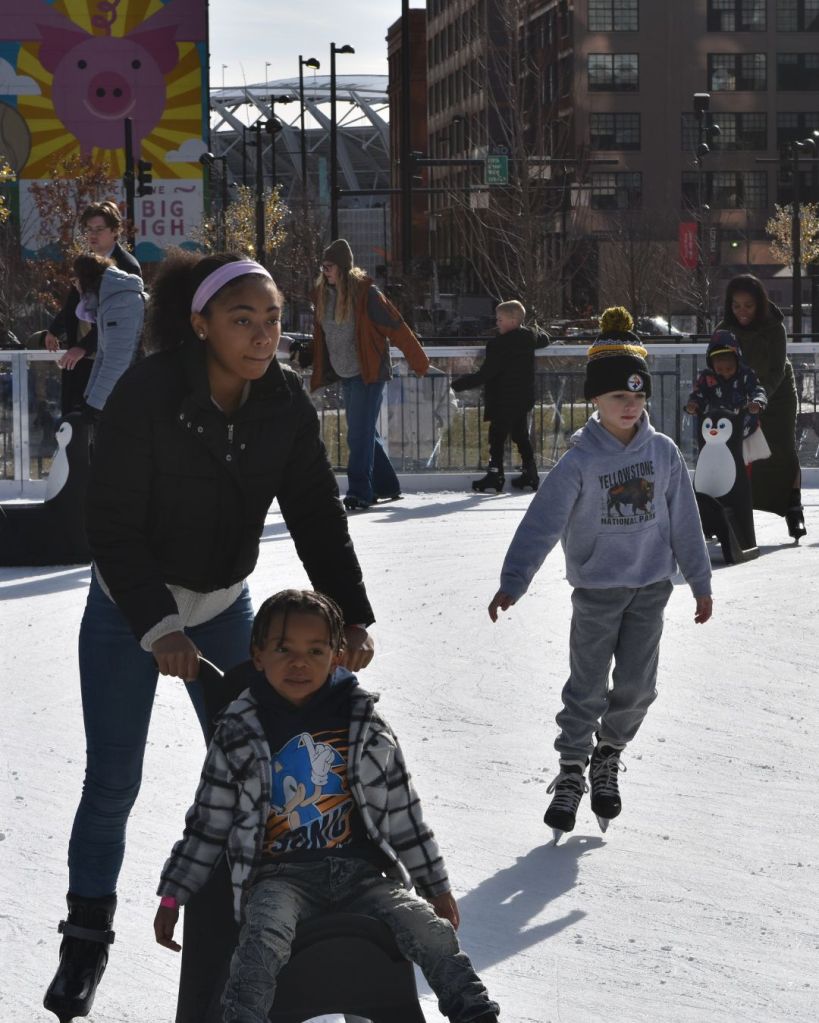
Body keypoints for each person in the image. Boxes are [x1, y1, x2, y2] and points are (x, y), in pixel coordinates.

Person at [44, 254, 376, 1022]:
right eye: (242, 320)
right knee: (113, 779)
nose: (262, 336)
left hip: (225, 606)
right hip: (129, 607)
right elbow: (111, 522)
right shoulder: (147, 393)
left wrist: (349, 614)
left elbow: (314, 513)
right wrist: (158, 623)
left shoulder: (283, 401)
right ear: (201, 325)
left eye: (272, 320)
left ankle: (267, 927)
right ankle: (86, 937)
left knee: (262, 769)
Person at [154, 588, 500, 1023]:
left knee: (429, 931)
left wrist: (435, 886)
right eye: (284, 649)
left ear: (336, 657)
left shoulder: (364, 724)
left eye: (315, 651)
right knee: (262, 940)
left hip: (361, 876)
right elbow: (208, 823)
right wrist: (174, 896)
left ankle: (475, 1014)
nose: (299, 663)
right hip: (280, 878)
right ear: (258, 655)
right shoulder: (238, 731)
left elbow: (403, 813)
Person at [488, 307, 713, 842]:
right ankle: (572, 769)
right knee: (586, 687)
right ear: (595, 399)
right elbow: (542, 521)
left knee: (637, 686)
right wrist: (514, 579)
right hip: (596, 591)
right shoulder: (580, 461)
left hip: (650, 589)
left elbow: (686, 520)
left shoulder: (663, 453)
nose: (630, 405)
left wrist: (700, 582)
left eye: (638, 396)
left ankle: (608, 754)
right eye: (618, 396)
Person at [296, 239, 430, 511]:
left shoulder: (366, 295)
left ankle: (360, 492)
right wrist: (308, 355)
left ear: (343, 267)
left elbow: (396, 326)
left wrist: (418, 361)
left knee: (358, 434)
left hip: (369, 373)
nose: (324, 271)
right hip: (346, 373)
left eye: (329, 266)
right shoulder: (323, 295)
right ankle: (387, 485)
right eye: (323, 266)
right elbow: (323, 336)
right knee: (364, 432)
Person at [717, 274, 805, 539]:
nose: (742, 311)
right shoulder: (724, 330)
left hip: (777, 396)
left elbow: (777, 370)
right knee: (737, 452)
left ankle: (793, 508)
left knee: (782, 450)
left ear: (759, 304)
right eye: (736, 305)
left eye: (748, 305)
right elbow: (717, 366)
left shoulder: (775, 327)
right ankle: (730, 512)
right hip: (741, 397)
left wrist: (759, 397)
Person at [43, 200, 142, 415]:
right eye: (89, 229)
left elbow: (118, 321)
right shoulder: (88, 261)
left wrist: (84, 347)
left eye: (99, 229)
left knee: (99, 416)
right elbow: (75, 303)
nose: (92, 235)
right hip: (81, 356)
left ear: (115, 231)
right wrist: (54, 329)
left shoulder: (126, 266)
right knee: (75, 417)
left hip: (104, 359)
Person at [451, 299, 543, 493]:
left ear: (513, 320)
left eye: (500, 319)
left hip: (502, 398)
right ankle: (531, 473)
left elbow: (486, 374)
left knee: (497, 437)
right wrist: (532, 330)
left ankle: (495, 475)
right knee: (520, 435)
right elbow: (544, 338)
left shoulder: (498, 345)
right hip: (522, 397)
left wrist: (456, 384)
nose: (497, 323)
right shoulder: (530, 338)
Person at [71, 253, 146, 415]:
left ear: (85, 279)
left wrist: (94, 408)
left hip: (143, 389)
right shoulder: (107, 302)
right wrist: (88, 398)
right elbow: (102, 356)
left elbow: (116, 361)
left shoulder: (120, 304)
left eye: (75, 279)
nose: (75, 285)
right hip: (133, 387)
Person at [685, 328, 770, 465]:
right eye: (719, 369)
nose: (725, 373)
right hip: (716, 432)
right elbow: (698, 394)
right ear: (712, 364)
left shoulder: (746, 374)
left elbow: (757, 390)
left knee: (743, 468)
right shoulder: (707, 377)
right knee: (717, 466)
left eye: (729, 368)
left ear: (737, 360)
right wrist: (694, 404)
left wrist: (757, 402)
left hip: (743, 430)